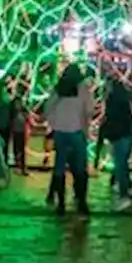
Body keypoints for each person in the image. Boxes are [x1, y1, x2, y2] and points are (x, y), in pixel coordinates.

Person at [44, 64, 93, 217]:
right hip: (77, 131)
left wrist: (54, 122)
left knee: (59, 167)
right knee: (80, 168)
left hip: (60, 132)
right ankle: (81, 202)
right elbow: (89, 111)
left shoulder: (58, 89)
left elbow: (47, 108)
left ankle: (61, 204)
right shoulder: (83, 89)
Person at [100, 78, 132, 211]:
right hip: (130, 134)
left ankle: (124, 196)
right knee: (123, 163)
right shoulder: (125, 99)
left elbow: (109, 118)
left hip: (120, 135)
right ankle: (128, 188)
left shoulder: (112, 100)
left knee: (120, 166)